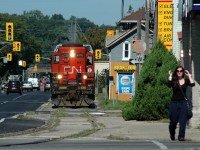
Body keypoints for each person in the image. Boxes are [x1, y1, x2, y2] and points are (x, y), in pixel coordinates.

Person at [168, 65, 195, 141]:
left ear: (183, 72)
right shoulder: (174, 80)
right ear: (176, 72)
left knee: (183, 120)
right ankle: (172, 132)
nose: (179, 72)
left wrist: (189, 76)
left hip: (183, 102)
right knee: (173, 121)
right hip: (174, 102)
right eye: (178, 71)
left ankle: (181, 136)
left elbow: (192, 84)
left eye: (181, 71)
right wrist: (170, 76)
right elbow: (169, 85)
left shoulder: (186, 80)